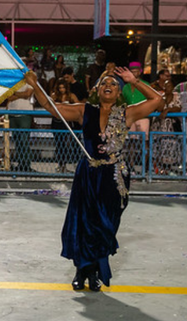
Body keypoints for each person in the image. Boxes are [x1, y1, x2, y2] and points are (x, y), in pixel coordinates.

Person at [26, 66, 162, 291]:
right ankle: (83, 271)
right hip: (88, 174)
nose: (109, 86)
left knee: (105, 226)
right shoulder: (83, 111)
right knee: (84, 223)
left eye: (114, 84)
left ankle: (96, 270)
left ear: (119, 92)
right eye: (104, 83)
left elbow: (157, 100)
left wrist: (133, 81)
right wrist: (34, 85)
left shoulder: (126, 113)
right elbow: (51, 106)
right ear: (97, 90)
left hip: (114, 177)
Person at [150, 77, 181, 174]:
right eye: (165, 85)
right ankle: (157, 169)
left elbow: (178, 108)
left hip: (170, 127)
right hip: (159, 126)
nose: (167, 87)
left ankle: (167, 169)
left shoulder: (176, 96)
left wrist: (168, 110)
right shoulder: (159, 96)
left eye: (169, 85)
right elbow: (157, 108)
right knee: (157, 147)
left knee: (169, 147)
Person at [50, 80, 80, 173]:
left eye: (63, 87)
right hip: (57, 122)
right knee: (59, 144)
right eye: (60, 88)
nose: (62, 90)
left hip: (68, 122)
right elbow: (49, 106)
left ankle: (75, 164)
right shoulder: (54, 96)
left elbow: (78, 106)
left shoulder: (71, 96)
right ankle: (61, 165)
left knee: (72, 143)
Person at [7, 82, 34, 172]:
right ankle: (21, 163)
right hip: (12, 114)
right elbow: (8, 97)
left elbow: (28, 94)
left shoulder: (28, 81)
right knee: (17, 140)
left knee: (24, 139)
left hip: (25, 113)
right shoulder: (12, 81)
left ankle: (26, 164)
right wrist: (20, 94)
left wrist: (15, 93)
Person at [121, 62, 152, 135]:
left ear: (140, 71)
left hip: (143, 116)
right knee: (131, 141)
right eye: (132, 71)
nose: (134, 73)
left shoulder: (146, 85)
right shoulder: (125, 87)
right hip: (130, 117)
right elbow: (124, 102)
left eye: (136, 71)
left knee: (144, 139)